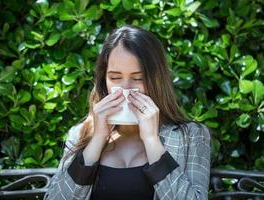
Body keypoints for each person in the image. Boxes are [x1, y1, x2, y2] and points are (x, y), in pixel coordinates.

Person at [44, 25, 211, 200]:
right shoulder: (80, 134)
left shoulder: (192, 136)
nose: (126, 88)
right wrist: (97, 139)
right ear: (104, 81)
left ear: (157, 81)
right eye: (115, 78)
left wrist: (152, 141)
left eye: (138, 78)